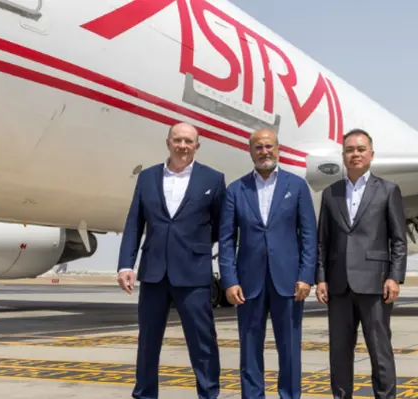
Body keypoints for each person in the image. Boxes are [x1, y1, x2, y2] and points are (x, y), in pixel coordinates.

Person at [116, 122, 227, 399]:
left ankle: (208, 394)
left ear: (197, 146)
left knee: (202, 344)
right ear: (168, 142)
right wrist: (125, 265)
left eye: (189, 141)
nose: (183, 146)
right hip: (153, 274)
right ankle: (144, 394)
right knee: (147, 343)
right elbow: (134, 224)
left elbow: (221, 226)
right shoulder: (147, 178)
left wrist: (195, 247)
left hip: (193, 273)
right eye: (177, 140)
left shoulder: (213, 179)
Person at [218, 128, 317, 399]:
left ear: (278, 149)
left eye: (269, 146)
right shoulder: (236, 190)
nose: (265, 152)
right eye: (258, 147)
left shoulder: (296, 186)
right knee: (249, 349)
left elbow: (309, 235)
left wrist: (306, 276)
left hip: (289, 282)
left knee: (290, 349)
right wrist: (229, 280)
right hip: (248, 284)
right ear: (250, 152)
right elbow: (226, 239)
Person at [315, 128, 408, 399]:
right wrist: (320, 278)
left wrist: (395, 276)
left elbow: (398, 239)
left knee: (380, 352)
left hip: (375, 284)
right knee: (339, 353)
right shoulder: (330, 194)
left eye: (360, 149)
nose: (355, 154)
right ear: (343, 156)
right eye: (349, 150)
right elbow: (323, 241)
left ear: (371, 154)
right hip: (338, 285)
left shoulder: (388, 190)